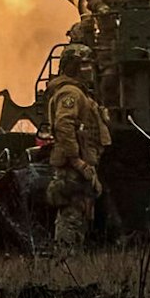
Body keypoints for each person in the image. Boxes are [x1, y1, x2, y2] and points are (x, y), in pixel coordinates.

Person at [45, 44, 110, 255]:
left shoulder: (80, 93)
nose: (89, 69)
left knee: (82, 211)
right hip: (73, 167)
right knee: (72, 213)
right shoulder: (70, 93)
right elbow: (64, 125)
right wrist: (78, 161)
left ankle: (72, 259)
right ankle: (66, 260)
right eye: (83, 65)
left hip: (83, 164)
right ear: (72, 67)